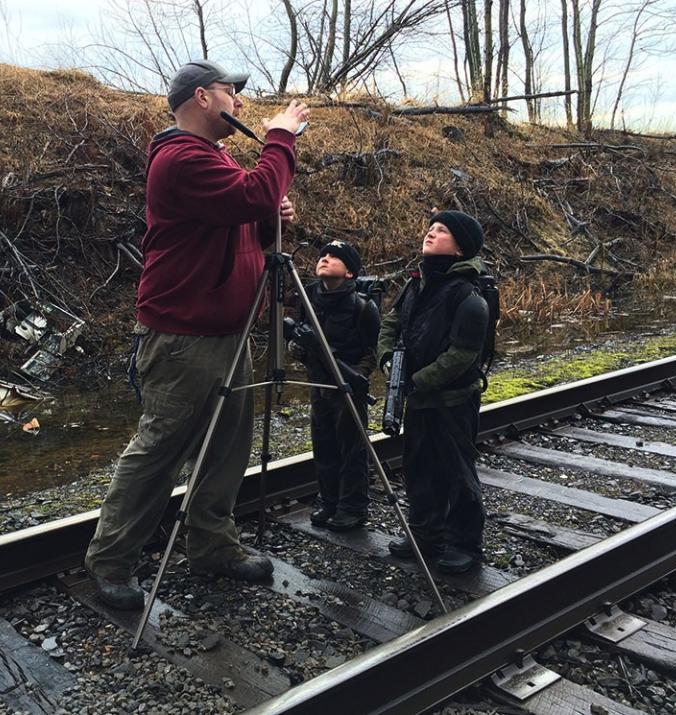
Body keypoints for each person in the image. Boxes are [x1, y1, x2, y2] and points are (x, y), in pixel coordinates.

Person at [84, 60, 309, 609]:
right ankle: (110, 562)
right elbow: (251, 194)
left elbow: (247, 216)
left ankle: (211, 545)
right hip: (183, 336)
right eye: (233, 93)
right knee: (161, 448)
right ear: (204, 97)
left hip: (226, 332)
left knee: (226, 448)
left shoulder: (215, 160)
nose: (240, 105)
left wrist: (268, 214)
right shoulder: (181, 158)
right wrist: (280, 136)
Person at [376, 210, 489, 574]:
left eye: (442, 231)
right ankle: (426, 534)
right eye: (430, 228)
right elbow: (391, 323)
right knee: (418, 467)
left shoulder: (470, 294)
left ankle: (464, 544)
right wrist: (386, 361)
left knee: (455, 470)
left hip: (453, 400)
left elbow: (463, 354)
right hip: (418, 397)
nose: (431, 233)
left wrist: (417, 380)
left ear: (460, 248)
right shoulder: (417, 282)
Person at [290, 241, 380, 531]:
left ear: (350, 273)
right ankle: (328, 500)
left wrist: (355, 377)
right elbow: (298, 342)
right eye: (323, 256)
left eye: (335, 258)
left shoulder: (363, 307)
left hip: (348, 387)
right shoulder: (308, 299)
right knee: (323, 444)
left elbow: (371, 352)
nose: (326, 259)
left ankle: (352, 506)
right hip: (318, 384)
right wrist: (299, 349)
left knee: (352, 448)